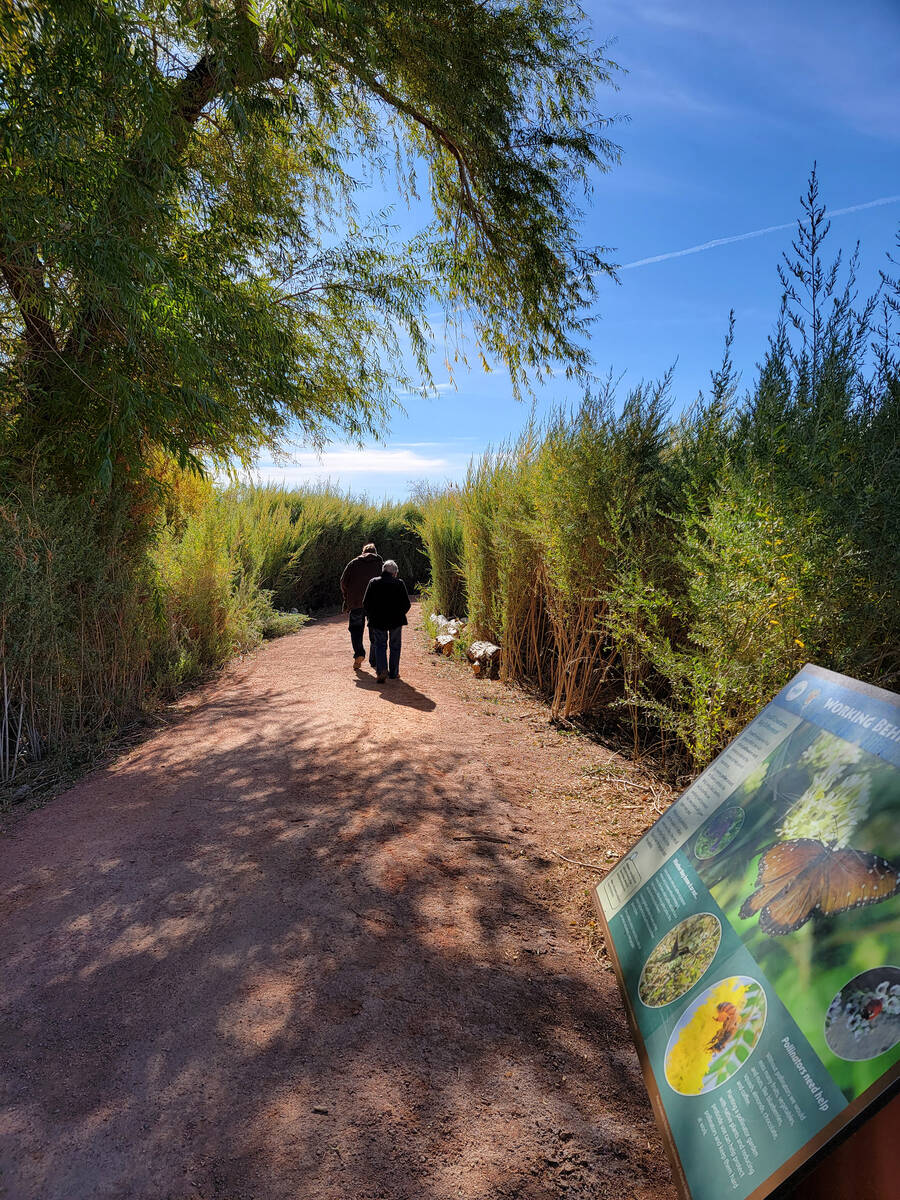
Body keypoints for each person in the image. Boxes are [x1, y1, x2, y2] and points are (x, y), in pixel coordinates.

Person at [362, 559, 411, 682]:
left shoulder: (373, 582)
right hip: (396, 619)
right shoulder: (399, 583)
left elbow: (365, 603)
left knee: (380, 645)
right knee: (395, 645)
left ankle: (381, 670)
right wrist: (400, 614)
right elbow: (406, 604)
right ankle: (394, 673)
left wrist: (371, 615)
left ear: (383, 570)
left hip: (377, 620)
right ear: (395, 573)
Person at [339, 542, 383, 669]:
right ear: (375, 552)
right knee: (374, 631)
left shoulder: (353, 563)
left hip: (356, 602)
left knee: (356, 630)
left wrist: (347, 596)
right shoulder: (380, 564)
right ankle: (374, 660)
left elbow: (343, 581)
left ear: (363, 552)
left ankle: (359, 654)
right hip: (375, 604)